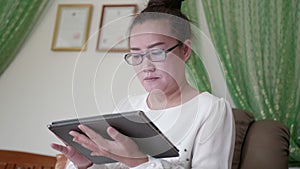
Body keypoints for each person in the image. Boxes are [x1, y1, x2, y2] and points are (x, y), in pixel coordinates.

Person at [51, 0, 235, 168]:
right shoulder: (128, 106)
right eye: (137, 55)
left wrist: (138, 161)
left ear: (185, 51)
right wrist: (87, 164)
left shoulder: (211, 109)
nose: (146, 66)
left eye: (156, 53)